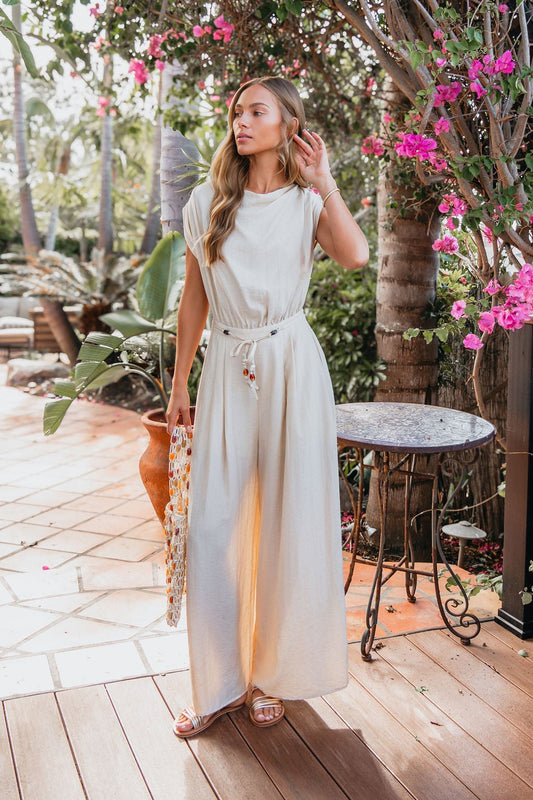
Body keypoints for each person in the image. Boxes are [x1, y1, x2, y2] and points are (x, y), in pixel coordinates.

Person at [165, 76, 369, 738]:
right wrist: (178, 385)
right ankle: (214, 683)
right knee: (212, 527)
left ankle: (269, 678)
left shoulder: (308, 205)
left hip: (291, 369)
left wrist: (325, 180)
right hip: (225, 369)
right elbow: (193, 299)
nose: (240, 121)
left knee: (286, 521)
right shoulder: (207, 205)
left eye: (256, 111)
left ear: (289, 125)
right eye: (235, 111)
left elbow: (356, 255)